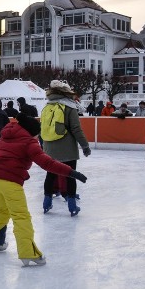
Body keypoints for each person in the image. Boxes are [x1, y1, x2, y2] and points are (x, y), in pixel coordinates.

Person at [0, 113, 88, 266]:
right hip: (9, 181)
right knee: (21, 216)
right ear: (32, 131)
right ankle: (28, 253)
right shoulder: (29, 143)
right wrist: (71, 172)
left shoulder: (5, 138)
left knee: (2, 209)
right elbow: (48, 163)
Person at [40, 80, 91, 216]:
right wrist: (85, 145)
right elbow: (76, 129)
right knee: (70, 175)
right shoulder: (69, 107)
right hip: (67, 148)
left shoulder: (47, 106)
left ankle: (46, 202)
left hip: (49, 148)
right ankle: (72, 205)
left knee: (50, 175)